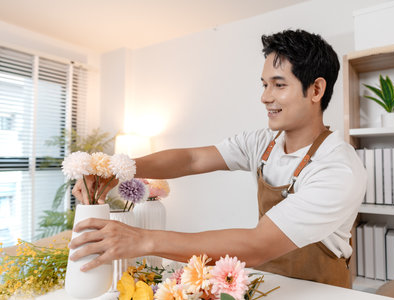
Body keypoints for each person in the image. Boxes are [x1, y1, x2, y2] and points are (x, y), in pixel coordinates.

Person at [69, 29, 367, 288]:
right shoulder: (263, 143)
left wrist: (144, 240)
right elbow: (192, 159)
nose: (265, 97)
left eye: (279, 85)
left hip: (320, 290)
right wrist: (116, 170)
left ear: (316, 89)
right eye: (264, 85)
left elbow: (257, 244)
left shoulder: (337, 168)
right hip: (269, 282)